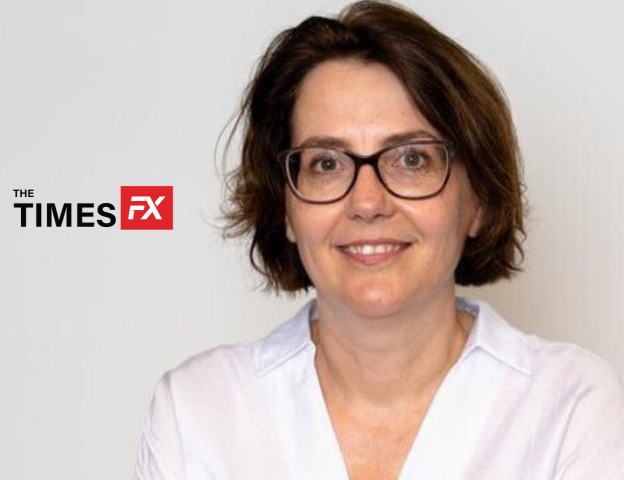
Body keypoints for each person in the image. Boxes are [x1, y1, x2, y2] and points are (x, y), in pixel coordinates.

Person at [134, 1, 624, 479]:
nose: (367, 202)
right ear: (286, 208)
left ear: (477, 200)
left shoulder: (572, 408)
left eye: (411, 159)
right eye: (327, 163)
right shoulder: (195, 412)